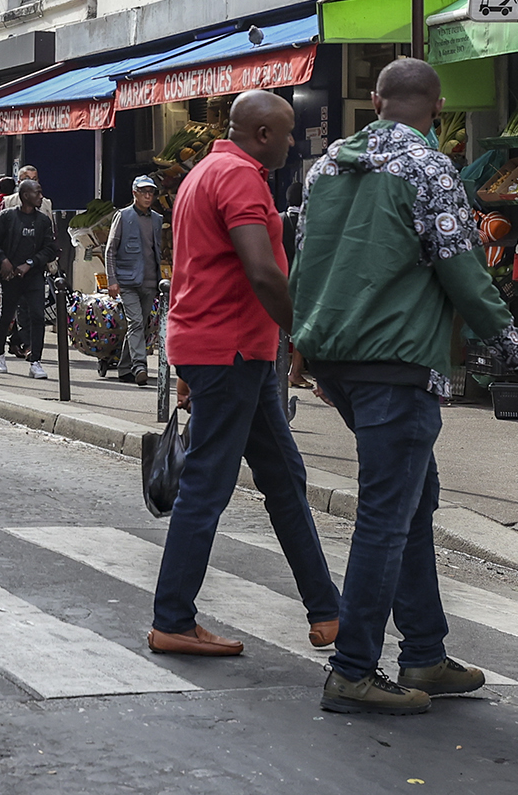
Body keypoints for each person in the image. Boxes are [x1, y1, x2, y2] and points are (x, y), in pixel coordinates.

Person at [294, 58, 518, 716]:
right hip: (397, 360)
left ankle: (425, 654)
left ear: (375, 99)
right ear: (437, 109)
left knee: (413, 499)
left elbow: (304, 263)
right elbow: (464, 274)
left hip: (338, 358)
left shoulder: (324, 170)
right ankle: (353, 669)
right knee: (387, 514)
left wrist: (302, 348)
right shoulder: (430, 169)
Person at [145, 90, 340, 662]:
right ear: (262, 134)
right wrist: (306, 338)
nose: (293, 142)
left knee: (284, 477)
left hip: (224, 351)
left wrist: (186, 364)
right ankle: (171, 619)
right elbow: (261, 270)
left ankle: (328, 611)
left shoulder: (203, 174)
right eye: (287, 132)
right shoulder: (239, 178)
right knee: (208, 484)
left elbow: (195, 269)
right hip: (229, 350)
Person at [0, 180, 58, 378]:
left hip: (33, 276)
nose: (41, 197)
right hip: (9, 276)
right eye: (37, 193)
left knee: (38, 317)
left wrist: (31, 263)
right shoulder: (7, 217)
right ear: (25, 195)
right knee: (6, 316)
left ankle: (36, 361)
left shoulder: (43, 221)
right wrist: (3, 260)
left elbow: (50, 248)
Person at [108, 175, 166, 385]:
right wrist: (112, 280)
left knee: (140, 325)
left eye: (151, 192)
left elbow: (156, 250)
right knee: (136, 322)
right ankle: (140, 366)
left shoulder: (157, 219)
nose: (148, 196)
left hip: (150, 282)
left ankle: (125, 368)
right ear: (135, 193)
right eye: (143, 192)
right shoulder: (123, 216)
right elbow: (110, 250)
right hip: (127, 282)